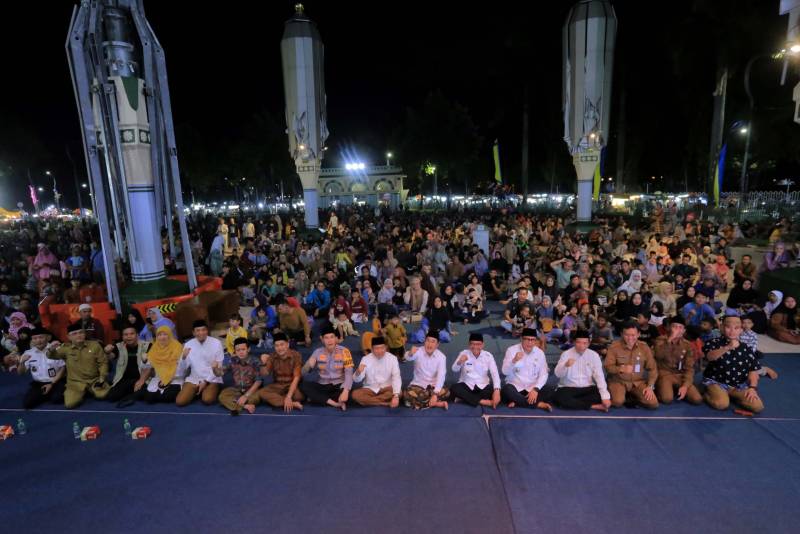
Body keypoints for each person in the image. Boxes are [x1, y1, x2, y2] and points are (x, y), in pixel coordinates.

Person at [702, 315, 764, 413]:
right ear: (722, 327)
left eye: (736, 328)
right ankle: (707, 392)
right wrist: (727, 347)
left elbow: (753, 370)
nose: (732, 331)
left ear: (741, 330)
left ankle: (730, 396)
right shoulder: (713, 342)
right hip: (716, 382)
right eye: (728, 327)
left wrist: (752, 388)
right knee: (722, 404)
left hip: (738, 385)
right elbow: (710, 357)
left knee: (758, 407)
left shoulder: (746, 348)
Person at [539, 330, 611, 412]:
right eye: (578, 342)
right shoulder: (566, 354)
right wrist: (565, 365)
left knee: (602, 395)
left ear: (588, 343)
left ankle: (577, 403)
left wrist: (605, 397)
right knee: (560, 398)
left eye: (584, 343)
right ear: (574, 342)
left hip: (587, 387)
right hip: (568, 387)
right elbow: (558, 374)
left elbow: (599, 376)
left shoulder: (594, 355)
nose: (581, 346)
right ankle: (592, 406)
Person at [47, 323, 110, 409]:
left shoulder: (95, 345)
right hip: (75, 382)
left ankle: (89, 390)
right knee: (70, 404)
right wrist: (51, 349)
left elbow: (103, 363)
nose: (79, 335)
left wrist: (102, 377)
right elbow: (51, 356)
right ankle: (85, 391)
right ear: (69, 337)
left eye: (81, 332)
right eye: (74, 334)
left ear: (84, 334)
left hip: (94, 380)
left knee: (104, 395)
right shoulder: (65, 348)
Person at [604, 322, 659, 409]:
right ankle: (625, 396)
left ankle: (631, 397)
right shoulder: (614, 347)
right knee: (617, 402)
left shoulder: (644, 347)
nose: (630, 338)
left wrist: (650, 386)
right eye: (626, 335)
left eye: (633, 335)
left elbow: (653, 369)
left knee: (653, 404)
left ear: (638, 334)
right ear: (622, 334)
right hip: (618, 381)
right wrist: (621, 368)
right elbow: (607, 367)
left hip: (637, 382)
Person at [299, 325, 354, 410]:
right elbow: (302, 373)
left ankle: (321, 399)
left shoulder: (345, 351)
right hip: (323, 385)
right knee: (303, 385)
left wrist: (346, 391)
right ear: (322, 339)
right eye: (326, 338)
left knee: (351, 393)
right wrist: (308, 365)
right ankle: (335, 403)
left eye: (332, 337)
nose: (329, 340)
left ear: (336, 339)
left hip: (339, 386)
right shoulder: (317, 352)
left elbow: (349, 373)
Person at [652, 317, 702, 405]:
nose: (677, 330)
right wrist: (670, 339)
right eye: (674, 327)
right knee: (667, 399)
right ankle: (663, 388)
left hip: (680, 374)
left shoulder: (687, 345)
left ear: (684, 331)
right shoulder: (660, 340)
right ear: (669, 328)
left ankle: (676, 389)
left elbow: (689, 368)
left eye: (680, 327)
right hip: (664, 373)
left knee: (697, 399)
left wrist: (685, 385)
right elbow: (659, 355)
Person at [176, 320, 224, 406]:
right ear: (193, 332)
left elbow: (219, 367)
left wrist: (205, 382)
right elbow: (182, 370)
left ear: (207, 331)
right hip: (194, 378)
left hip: (211, 378)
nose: (201, 333)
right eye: (198, 330)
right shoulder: (188, 344)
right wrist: (183, 358)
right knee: (180, 401)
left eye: (203, 330)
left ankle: (209, 389)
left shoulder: (217, 343)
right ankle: (198, 390)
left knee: (207, 399)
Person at [500, 328, 551, 410]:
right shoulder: (511, 350)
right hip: (515, 386)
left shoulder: (540, 353)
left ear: (535, 341)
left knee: (549, 390)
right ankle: (537, 404)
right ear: (521, 339)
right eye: (527, 339)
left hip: (532, 387)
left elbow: (544, 374)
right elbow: (504, 372)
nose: (530, 343)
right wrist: (514, 361)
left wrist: (536, 389)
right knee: (506, 391)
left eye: (532, 340)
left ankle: (518, 402)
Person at [17, 327, 66, 409]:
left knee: (57, 399)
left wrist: (51, 384)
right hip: (39, 384)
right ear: (32, 340)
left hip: (56, 382)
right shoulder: (28, 353)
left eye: (41, 337)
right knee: (27, 404)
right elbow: (20, 373)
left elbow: (62, 368)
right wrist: (21, 362)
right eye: (35, 338)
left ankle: (49, 393)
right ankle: (46, 394)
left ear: (48, 338)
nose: (38, 340)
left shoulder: (56, 349)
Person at [103, 326, 152, 406]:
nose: (129, 336)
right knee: (111, 397)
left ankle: (130, 396)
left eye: (132, 334)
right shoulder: (118, 346)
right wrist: (107, 352)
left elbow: (150, 367)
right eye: (126, 334)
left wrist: (141, 380)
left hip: (142, 378)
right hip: (124, 380)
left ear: (137, 335)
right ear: (122, 337)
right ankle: (133, 394)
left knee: (147, 394)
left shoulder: (148, 345)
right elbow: (111, 356)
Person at [450, 333, 501, 408]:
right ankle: (482, 401)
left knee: (491, 390)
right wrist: (459, 362)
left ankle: (465, 399)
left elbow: (495, 373)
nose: (475, 347)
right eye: (472, 344)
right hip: (466, 385)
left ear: (483, 345)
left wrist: (497, 390)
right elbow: (454, 369)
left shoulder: (488, 356)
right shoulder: (464, 353)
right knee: (454, 388)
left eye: (478, 344)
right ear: (469, 344)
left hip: (483, 386)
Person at [402, 331, 450, 410]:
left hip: (433, 386)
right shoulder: (418, 351)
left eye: (433, 342)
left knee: (447, 392)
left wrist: (435, 394)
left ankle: (423, 403)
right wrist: (410, 353)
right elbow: (407, 357)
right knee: (406, 394)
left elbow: (441, 376)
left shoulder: (442, 357)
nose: (429, 344)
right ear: (424, 341)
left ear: (437, 344)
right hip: (418, 385)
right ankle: (436, 403)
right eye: (428, 340)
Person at [140, 326, 188, 404]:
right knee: (149, 398)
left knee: (167, 397)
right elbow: (148, 366)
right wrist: (144, 361)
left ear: (170, 335)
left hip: (175, 378)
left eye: (165, 334)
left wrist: (168, 378)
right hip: (159, 378)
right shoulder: (154, 348)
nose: (162, 337)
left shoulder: (177, 347)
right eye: (159, 335)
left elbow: (182, 369)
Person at [258, 332, 304, 412]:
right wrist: (263, 364)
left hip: (292, 384)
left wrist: (289, 397)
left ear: (287, 344)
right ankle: (292, 403)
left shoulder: (296, 355)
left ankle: (281, 400)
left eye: (282, 344)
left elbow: (296, 378)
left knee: (298, 397)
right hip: (278, 384)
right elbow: (265, 374)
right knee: (262, 393)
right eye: (277, 345)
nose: (279, 348)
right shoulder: (272, 356)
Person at [352, 336, 402, 407]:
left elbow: (396, 377)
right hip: (370, 389)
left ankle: (370, 401)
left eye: (382, 348)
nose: (380, 351)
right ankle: (384, 403)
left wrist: (396, 396)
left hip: (387, 387)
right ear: (372, 349)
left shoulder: (392, 358)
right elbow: (356, 380)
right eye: (377, 348)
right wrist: (358, 372)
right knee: (355, 395)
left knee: (399, 392)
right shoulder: (365, 359)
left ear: (386, 348)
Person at [218, 337, 263, 415]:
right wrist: (214, 368)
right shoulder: (232, 360)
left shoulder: (255, 361)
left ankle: (236, 404)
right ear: (235, 351)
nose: (241, 352)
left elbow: (258, 381)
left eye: (243, 349)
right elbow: (220, 373)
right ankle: (245, 406)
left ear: (248, 349)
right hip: (237, 389)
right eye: (238, 350)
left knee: (257, 398)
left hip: (251, 390)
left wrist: (246, 395)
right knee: (222, 396)